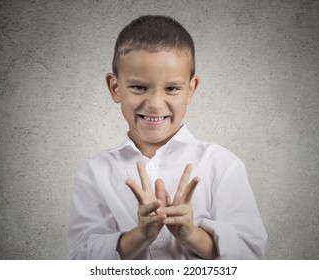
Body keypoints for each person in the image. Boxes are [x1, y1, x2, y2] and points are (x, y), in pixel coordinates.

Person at [68, 15, 267, 260]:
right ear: (115, 87)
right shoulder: (93, 173)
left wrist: (189, 233)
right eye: (139, 87)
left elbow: (250, 256)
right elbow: (81, 261)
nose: (154, 104)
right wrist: (140, 235)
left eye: (172, 88)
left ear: (191, 90)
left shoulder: (222, 165)